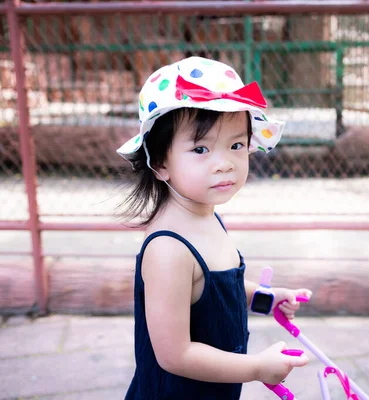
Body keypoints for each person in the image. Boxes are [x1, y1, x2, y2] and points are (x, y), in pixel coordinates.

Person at [116, 56, 311, 400]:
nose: (224, 164)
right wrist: (256, 368)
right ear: (160, 163)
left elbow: (216, 285)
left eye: (236, 145)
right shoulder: (168, 249)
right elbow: (174, 354)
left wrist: (266, 298)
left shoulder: (206, 214)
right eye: (201, 148)